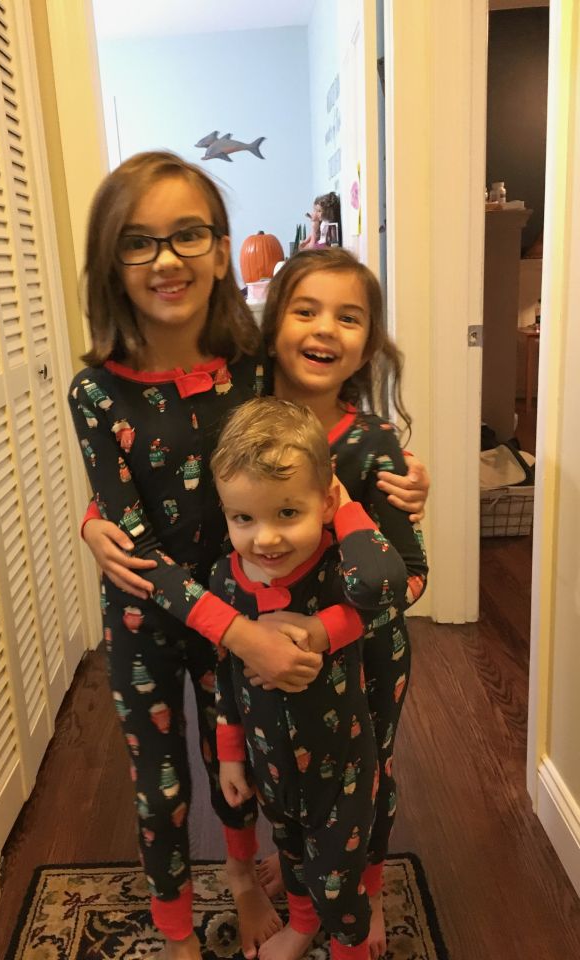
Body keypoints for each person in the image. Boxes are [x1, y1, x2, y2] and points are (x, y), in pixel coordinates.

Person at [67, 151, 408, 960]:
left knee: (248, 758)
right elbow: (132, 530)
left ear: (222, 252)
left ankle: (248, 880)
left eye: (188, 235)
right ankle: (176, 933)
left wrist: (397, 476)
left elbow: (317, 436)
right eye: (139, 242)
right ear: (111, 262)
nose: (167, 260)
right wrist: (93, 519)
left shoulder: (252, 367)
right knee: (160, 783)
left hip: (258, 593)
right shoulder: (96, 393)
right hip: (152, 615)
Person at [255, 248, 428, 960]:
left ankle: (367, 886)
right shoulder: (244, 429)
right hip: (268, 650)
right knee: (282, 776)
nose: (325, 328)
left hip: (367, 657)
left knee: (367, 777)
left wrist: (328, 631)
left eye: (348, 317)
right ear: (272, 327)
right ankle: (302, 894)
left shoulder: (376, 445)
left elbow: (412, 576)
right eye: (306, 310)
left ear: (368, 344)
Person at [211, 397, 388, 960]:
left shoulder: (342, 570)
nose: (266, 539)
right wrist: (231, 756)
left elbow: (379, 599)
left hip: (342, 767)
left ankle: (347, 944)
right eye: (244, 518)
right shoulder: (225, 580)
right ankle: (302, 923)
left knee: (339, 881)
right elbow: (225, 676)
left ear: (326, 502)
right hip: (269, 764)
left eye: (287, 513)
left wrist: (320, 630)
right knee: (289, 851)